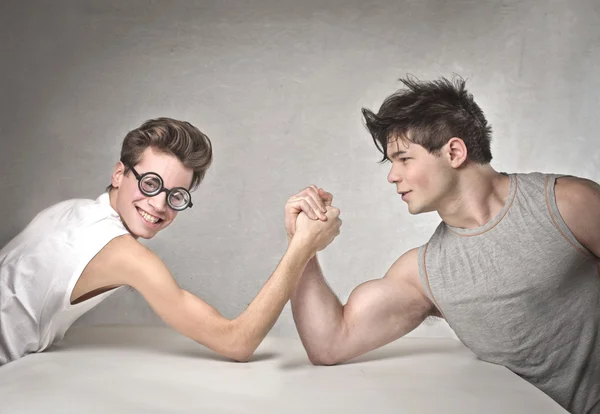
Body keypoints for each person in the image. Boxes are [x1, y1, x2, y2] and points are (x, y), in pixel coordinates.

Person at [286, 77, 599, 414]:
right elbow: (329, 343)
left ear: (453, 152)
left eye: (404, 159)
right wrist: (301, 244)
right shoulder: (424, 274)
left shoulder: (567, 205)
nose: (392, 175)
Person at [0, 117, 342, 365]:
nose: (160, 205)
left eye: (176, 195)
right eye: (150, 183)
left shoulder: (70, 211)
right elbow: (237, 342)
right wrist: (301, 245)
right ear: (119, 173)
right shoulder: (120, 253)